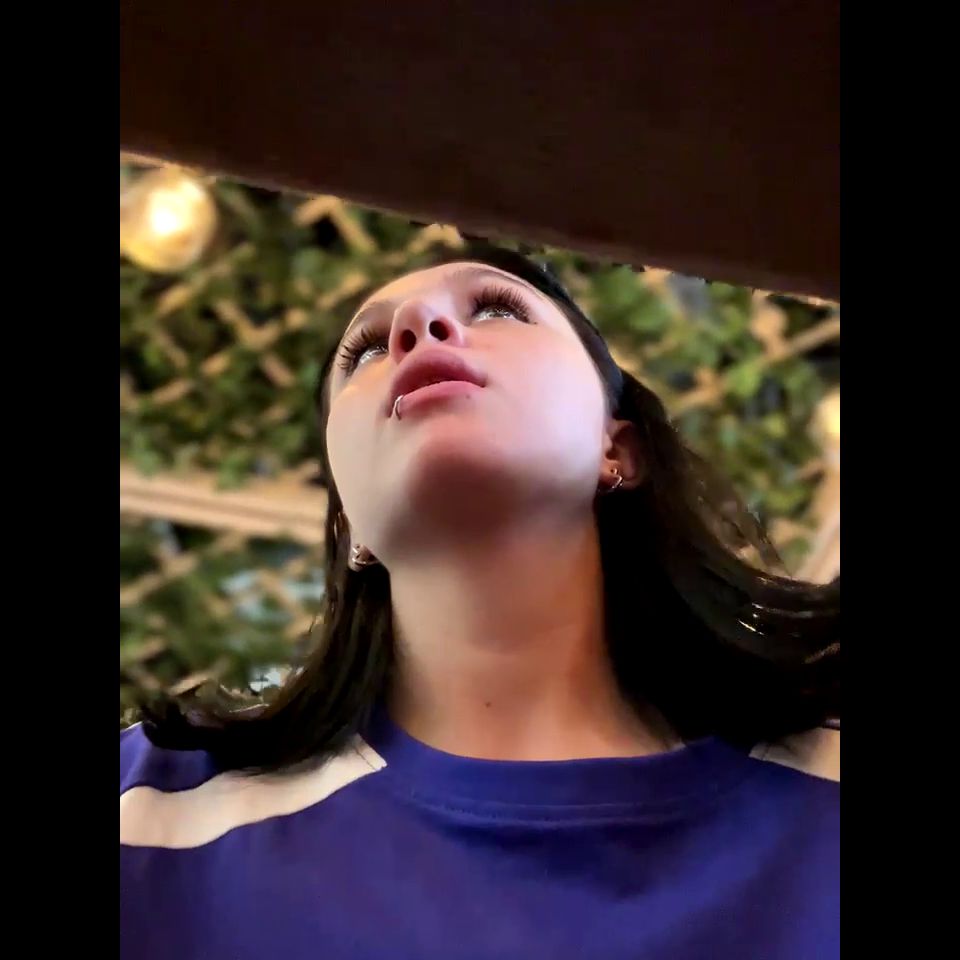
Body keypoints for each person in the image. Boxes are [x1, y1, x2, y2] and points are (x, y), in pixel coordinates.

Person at [120, 247, 839, 960]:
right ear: (348, 529)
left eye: (497, 309)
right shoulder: (152, 812)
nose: (416, 324)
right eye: (365, 351)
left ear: (617, 449)